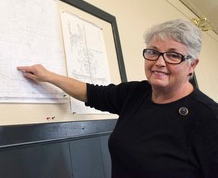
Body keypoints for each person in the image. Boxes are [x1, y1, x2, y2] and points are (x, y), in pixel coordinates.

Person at [17, 19, 218, 178]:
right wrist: (48, 76)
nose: (159, 62)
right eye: (153, 52)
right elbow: (90, 93)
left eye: (173, 55)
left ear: (192, 65)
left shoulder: (209, 118)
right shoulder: (135, 93)